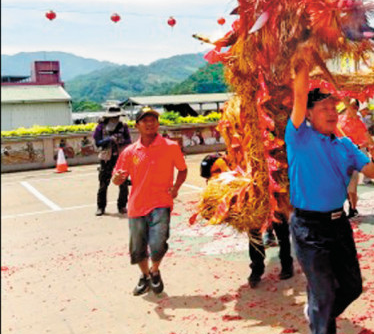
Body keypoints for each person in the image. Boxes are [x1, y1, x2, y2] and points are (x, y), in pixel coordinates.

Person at [286, 48, 374, 334]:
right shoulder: (298, 136)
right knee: (326, 291)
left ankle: (317, 313)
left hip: (338, 224)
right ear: (309, 113)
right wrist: (305, 53)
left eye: (335, 107)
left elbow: (370, 170)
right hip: (308, 226)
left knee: (352, 287)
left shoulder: (344, 145)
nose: (332, 112)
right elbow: (299, 93)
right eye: (324, 108)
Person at [112, 107, 187, 297]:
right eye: (145, 120)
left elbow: (183, 169)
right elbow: (117, 177)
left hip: (161, 202)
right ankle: (145, 275)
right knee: (137, 247)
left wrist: (176, 187)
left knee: (158, 243)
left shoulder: (170, 146)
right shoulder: (130, 151)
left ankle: (155, 270)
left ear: (158, 123)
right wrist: (117, 179)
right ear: (137, 125)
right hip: (137, 205)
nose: (150, 123)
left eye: (153, 119)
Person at [204, 154, 293, 287]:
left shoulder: (273, 143)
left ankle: (287, 264)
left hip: (274, 188)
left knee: (281, 230)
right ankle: (257, 269)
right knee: (254, 234)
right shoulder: (240, 149)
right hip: (252, 194)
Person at [93, 105, 132, 216]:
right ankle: (101, 207)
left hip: (120, 158)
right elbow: (97, 142)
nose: (115, 118)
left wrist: (121, 140)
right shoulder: (101, 127)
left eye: (117, 116)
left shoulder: (123, 126)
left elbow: (128, 141)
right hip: (106, 159)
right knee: (103, 184)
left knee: (123, 183)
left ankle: (122, 206)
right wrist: (109, 139)